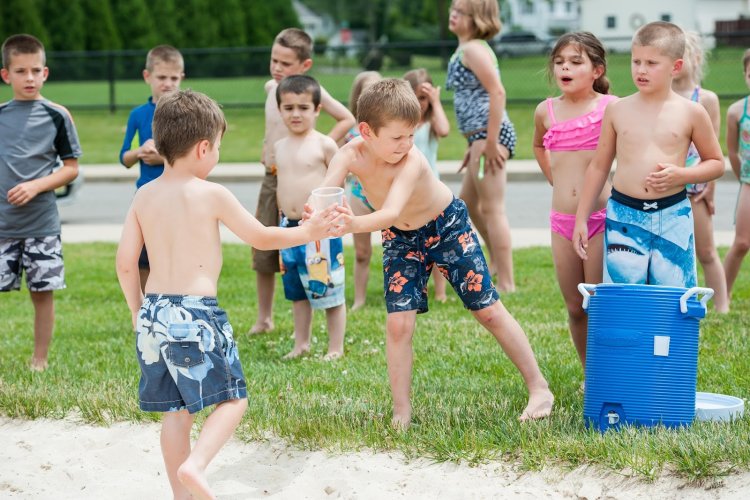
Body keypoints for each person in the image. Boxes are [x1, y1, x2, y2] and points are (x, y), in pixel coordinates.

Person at [116, 90, 335, 499]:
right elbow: (262, 237)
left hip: (153, 314)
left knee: (175, 412)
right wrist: (309, 231)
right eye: (218, 146)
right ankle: (196, 465)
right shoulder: (211, 193)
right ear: (203, 148)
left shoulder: (143, 196)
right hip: (195, 312)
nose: (217, 153)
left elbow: (126, 263)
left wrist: (136, 310)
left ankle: (181, 494)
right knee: (233, 399)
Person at [319, 78, 554, 428]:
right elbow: (324, 193)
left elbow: (390, 212)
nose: (406, 144)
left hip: (446, 226)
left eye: (411, 135)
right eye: (397, 137)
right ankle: (401, 412)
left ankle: (539, 388)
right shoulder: (349, 154)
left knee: (487, 310)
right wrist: (316, 215)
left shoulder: (411, 160)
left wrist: (352, 224)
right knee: (398, 324)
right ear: (366, 131)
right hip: (401, 238)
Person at [573, 22, 725, 289]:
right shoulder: (617, 110)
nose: (641, 70)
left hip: (673, 215)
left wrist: (683, 175)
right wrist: (581, 218)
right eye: (636, 61)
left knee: (673, 296)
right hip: (623, 215)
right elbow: (599, 166)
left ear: (676, 67)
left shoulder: (692, 112)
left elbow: (716, 163)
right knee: (624, 295)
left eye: (651, 63)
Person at [250, 28, 355, 334]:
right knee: (264, 245)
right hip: (273, 178)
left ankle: (320, 317)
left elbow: (347, 118)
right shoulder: (272, 89)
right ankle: (264, 318)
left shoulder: (310, 92)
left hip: (302, 180)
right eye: (274, 60)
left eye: (285, 63)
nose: (277, 67)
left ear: (305, 65)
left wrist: (315, 146)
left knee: (311, 252)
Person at [532, 32, 616, 368]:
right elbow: (537, 145)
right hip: (561, 222)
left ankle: (607, 372)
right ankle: (589, 373)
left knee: (597, 302)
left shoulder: (611, 108)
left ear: (597, 70)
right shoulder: (546, 110)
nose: (564, 68)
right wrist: (554, 177)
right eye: (559, 62)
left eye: (575, 62)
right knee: (574, 306)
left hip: (599, 220)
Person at [0, 34, 82, 372]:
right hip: (2, 226)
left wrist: (36, 186)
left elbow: (71, 169)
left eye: (36, 70)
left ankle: (40, 359)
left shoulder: (57, 115)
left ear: (45, 73)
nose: (29, 78)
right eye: (21, 71)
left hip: (41, 226)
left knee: (42, 292)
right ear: (6, 75)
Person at [446, 0, 518, 292]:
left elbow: (497, 93)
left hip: (490, 136)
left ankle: (507, 282)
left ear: (476, 18)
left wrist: (489, 142)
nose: (453, 14)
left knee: (492, 209)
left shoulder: (473, 50)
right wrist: (473, 144)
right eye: (452, 8)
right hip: (479, 138)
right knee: (468, 204)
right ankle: (495, 261)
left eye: (460, 12)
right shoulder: (467, 49)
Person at [274, 75, 346, 360]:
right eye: (288, 107)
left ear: (317, 110)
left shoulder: (325, 144)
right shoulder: (279, 147)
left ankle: (335, 347)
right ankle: (301, 343)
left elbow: (339, 181)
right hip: (289, 229)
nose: (296, 114)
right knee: (297, 290)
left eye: (303, 108)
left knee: (328, 286)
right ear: (279, 109)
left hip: (319, 231)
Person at [119, 45, 184, 291]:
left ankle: (176, 300)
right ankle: (148, 305)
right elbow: (125, 158)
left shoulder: (186, 113)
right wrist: (140, 152)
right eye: (161, 77)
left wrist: (164, 158)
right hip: (146, 197)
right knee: (144, 257)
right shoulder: (138, 115)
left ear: (182, 78)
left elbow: (195, 160)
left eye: (173, 78)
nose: (168, 84)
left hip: (179, 196)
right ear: (147, 76)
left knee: (177, 256)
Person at [672, 32, 729, 312]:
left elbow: (713, 149)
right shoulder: (660, 96)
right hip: (668, 185)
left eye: (682, 55)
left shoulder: (706, 99)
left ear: (695, 59)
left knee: (706, 250)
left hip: (696, 188)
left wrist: (710, 189)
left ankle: (722, 305)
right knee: (673, 251)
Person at [404, 68, 451, 303]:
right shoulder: (403, 124)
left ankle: (440, 291)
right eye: (414, 98)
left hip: (432, 188)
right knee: (414, 242)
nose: (419, 103)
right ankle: (416, 287)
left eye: (423, 98)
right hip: (408, 190)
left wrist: (436, 101)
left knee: (436, 241)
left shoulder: (431, 121)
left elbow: (444, 130)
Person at [345, 70, 381, 310]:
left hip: (386, 195)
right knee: (361, 252)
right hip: (359, 195)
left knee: (400, 248)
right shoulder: (351, 132)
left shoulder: (389, 128)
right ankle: (359, 299)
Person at [724, 48, 750, 300]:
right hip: (749, 184)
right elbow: (732, 151)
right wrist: (742, 176)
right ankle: (723, 295)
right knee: (742, 242)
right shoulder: (736, 111)